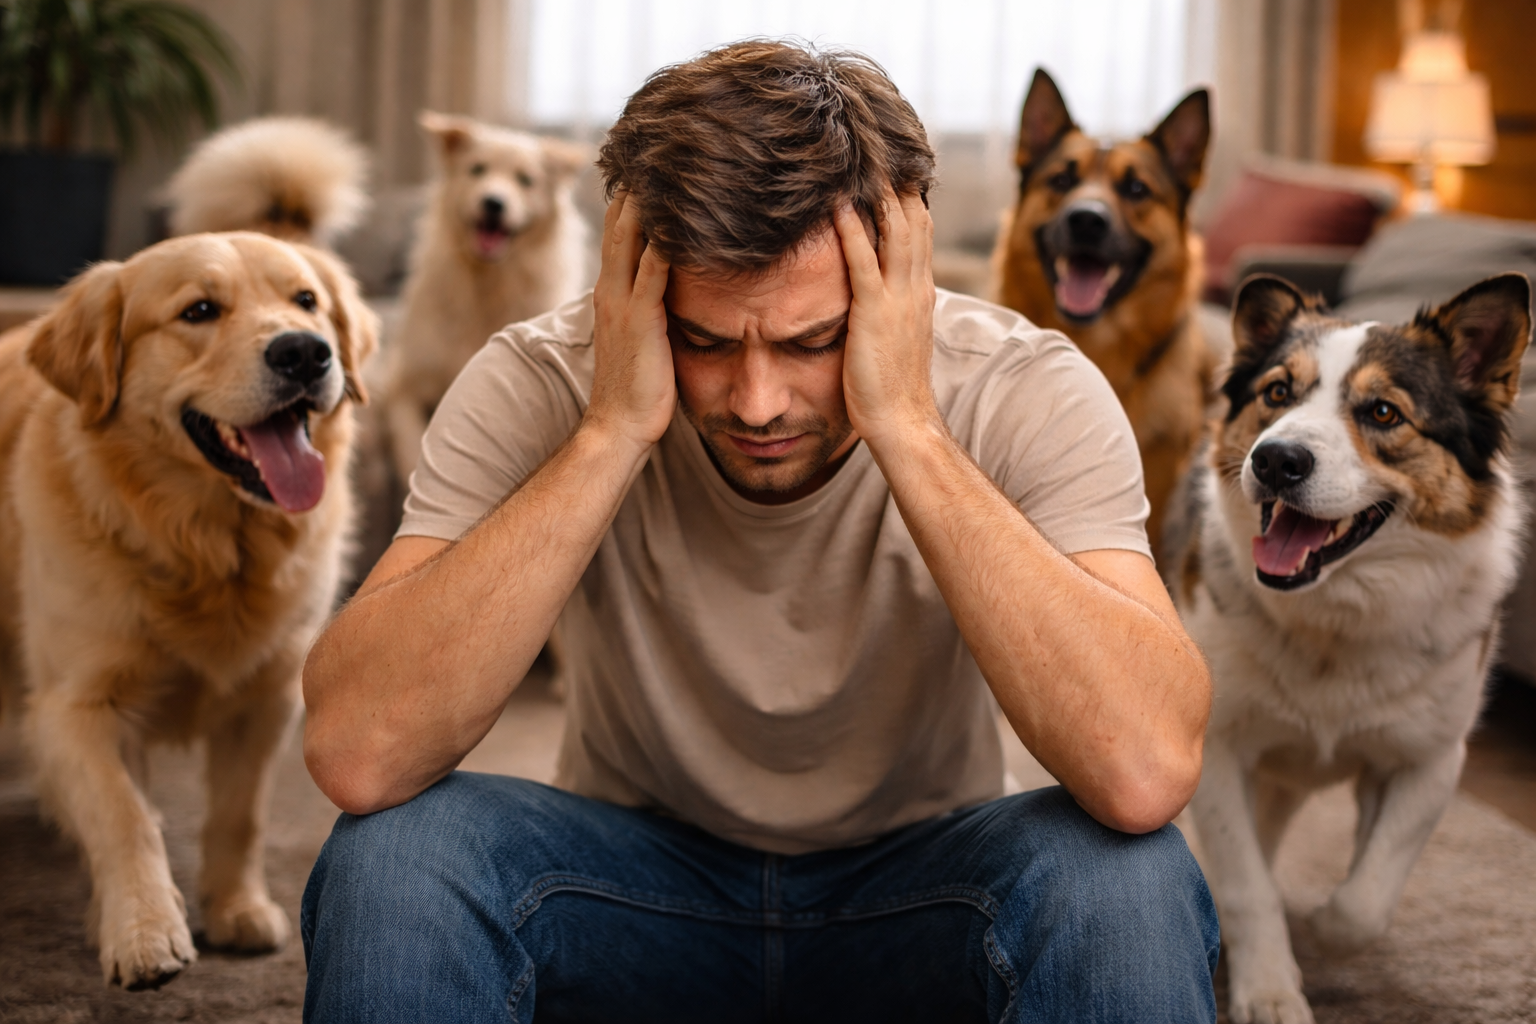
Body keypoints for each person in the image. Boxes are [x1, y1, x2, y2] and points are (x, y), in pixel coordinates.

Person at [300, 41, 1218, 1023]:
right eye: (702, 339)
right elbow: (362, 750)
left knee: (1126, 878)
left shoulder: (1024, 384)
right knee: (396, 857)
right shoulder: (544, 374)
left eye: (813, 340)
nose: (757, 401)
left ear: (901, 275)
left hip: (926, 895)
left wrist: (908, 423)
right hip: (625, 892)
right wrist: (610, 429)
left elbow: (1142, 767)